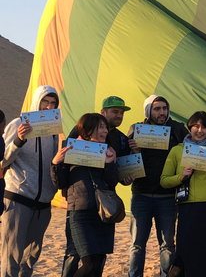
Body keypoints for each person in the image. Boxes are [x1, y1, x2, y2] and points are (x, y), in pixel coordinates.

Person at [62, 96, 133, 277]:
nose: (119, 116)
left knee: (97, 260)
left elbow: (120, 170)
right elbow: (66, 163)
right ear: (103, 112)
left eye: (121, 113)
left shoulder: (122, 139)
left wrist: (127, 174)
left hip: (104, 205)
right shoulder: (80, 131)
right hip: (81, 203)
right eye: (115, 112)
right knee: (74, 253)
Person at [160, 110, 206, 277]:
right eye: (196, 126)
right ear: (189, 127)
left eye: (205, 127)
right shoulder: (178, 150)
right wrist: (181, 176)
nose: (200, 130)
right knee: (185, 251)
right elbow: (164, 180)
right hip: (188, 208)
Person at [1, 85, 60, 277]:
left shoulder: (53, 132)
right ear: (37, 102)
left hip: (43, 205)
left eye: (53, 103)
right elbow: (2, 161)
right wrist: (19, 139)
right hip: (18, 199)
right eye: (45, 102)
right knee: (11, 257)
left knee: (30, 259)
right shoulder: (17, 124)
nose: (49, 107)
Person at [127, 95, 189, 277]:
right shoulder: (136, 129)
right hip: (141, 194)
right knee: (137, 244)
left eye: (164, 108)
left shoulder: (178, 129)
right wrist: (134, 151)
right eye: (157, 109)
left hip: (168, 197)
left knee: (168, 245)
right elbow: (127, 161)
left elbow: (192, 149)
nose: (162, 112)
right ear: (148, 111)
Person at [51, 113, 119, 277]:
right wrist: (56, 163)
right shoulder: (72, 149)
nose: (105, 131)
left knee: (98, 263)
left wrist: (110, 164)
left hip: (103, 213)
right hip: (81, 212)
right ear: (87, 129)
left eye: (105, 128)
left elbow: (112, 183)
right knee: (89, 263)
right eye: (100, 127)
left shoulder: (108, 151)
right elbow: (61, 183)